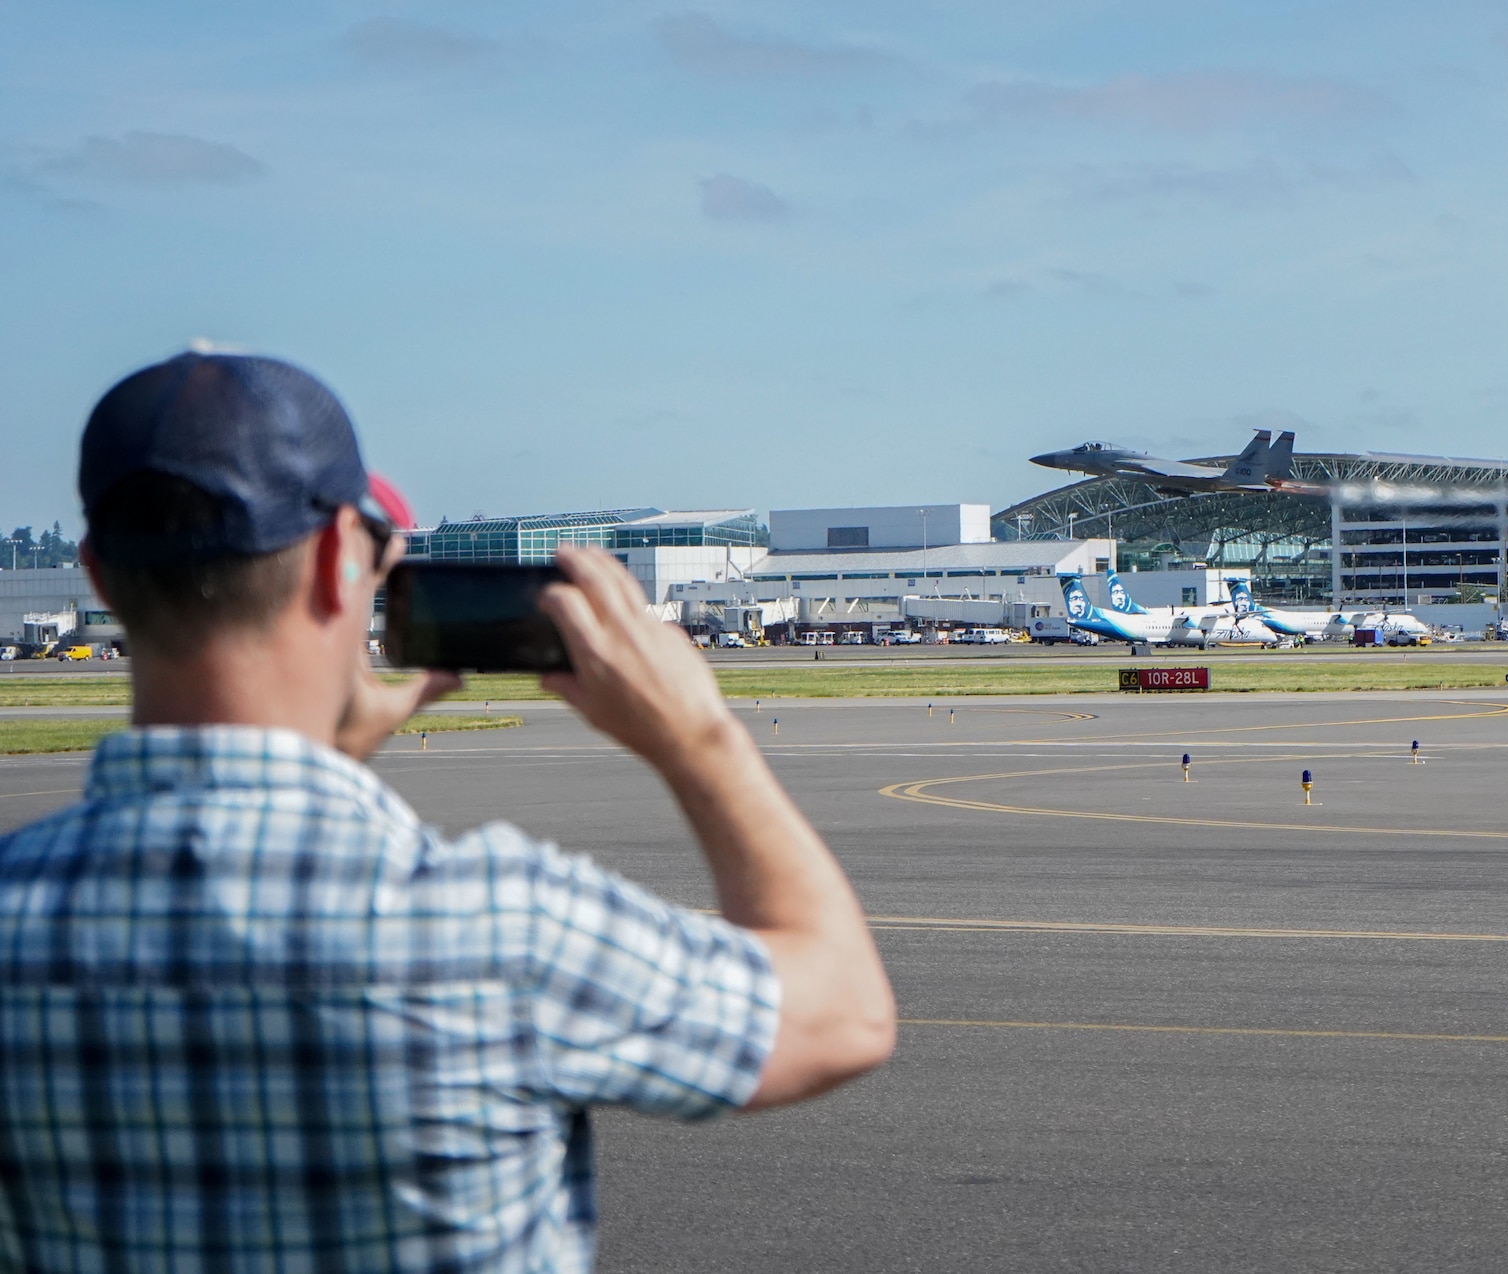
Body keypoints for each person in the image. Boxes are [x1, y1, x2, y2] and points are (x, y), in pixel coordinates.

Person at [0, 352, 895, 1270]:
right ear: (335, 563)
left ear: (100, 577)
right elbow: (845, 1013)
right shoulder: (503, 927)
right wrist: (698, 736)